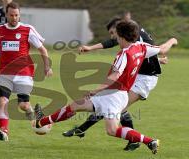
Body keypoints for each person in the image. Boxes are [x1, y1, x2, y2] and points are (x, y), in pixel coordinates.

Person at [34, 20, 177, 154]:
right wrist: (172, 41)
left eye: (117, 37)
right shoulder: (142, 47)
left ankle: (149, 141)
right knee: (75, 106)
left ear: (121, 37)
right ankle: (42, 122)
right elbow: (162, 49)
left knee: (112, 130)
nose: (116, 40)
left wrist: (96, 89)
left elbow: (115, 75)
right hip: (118, 94)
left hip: (113, 95)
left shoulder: (124, 53)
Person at [63, 16, 168, 151]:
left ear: (121, 30)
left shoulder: (136, 38)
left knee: (115, 106)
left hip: (145, 78)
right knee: (110, 103)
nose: (113, 37)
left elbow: (145, 55)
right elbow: (135, 54)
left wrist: (164, 52)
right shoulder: (131, 36)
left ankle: (84, 129)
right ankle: (82, 129)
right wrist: (91, 48)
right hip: (136, 74)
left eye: (113, 33)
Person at [0, 2, 53, 141]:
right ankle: (4, 131)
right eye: (11, 15)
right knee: (2, 102)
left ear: (19, 15)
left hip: (24, 73)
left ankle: (35, 116)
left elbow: (42, 49)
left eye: (17, 15)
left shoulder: (28, 29)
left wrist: (47, 67)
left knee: (23, 105)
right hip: (4, 73)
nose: (14, 18)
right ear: (6, 15)